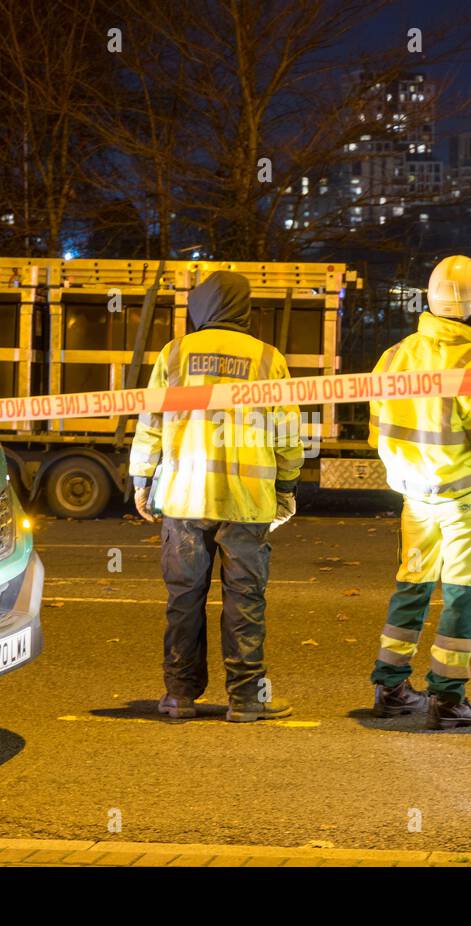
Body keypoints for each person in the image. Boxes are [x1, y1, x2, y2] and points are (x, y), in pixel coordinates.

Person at [129, 270, 303, 723]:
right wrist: (286, 486)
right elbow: (288, 433)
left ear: (199, 307)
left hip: (185, 499)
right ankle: (246, 699)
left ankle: (179, 696)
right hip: (247, 500)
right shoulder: (268, 359)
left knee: (184, 597)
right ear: (245, 308)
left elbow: (150, 421)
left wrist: (142, 481)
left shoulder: (175, 354)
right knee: (245, 598)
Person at [367, 255, 471, 730]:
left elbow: (377, 429)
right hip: (464, 500)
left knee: (412, 584)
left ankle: (391, 685)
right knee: (463, 593)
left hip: (414, 496)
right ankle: (448, 696)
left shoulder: (397, 354)